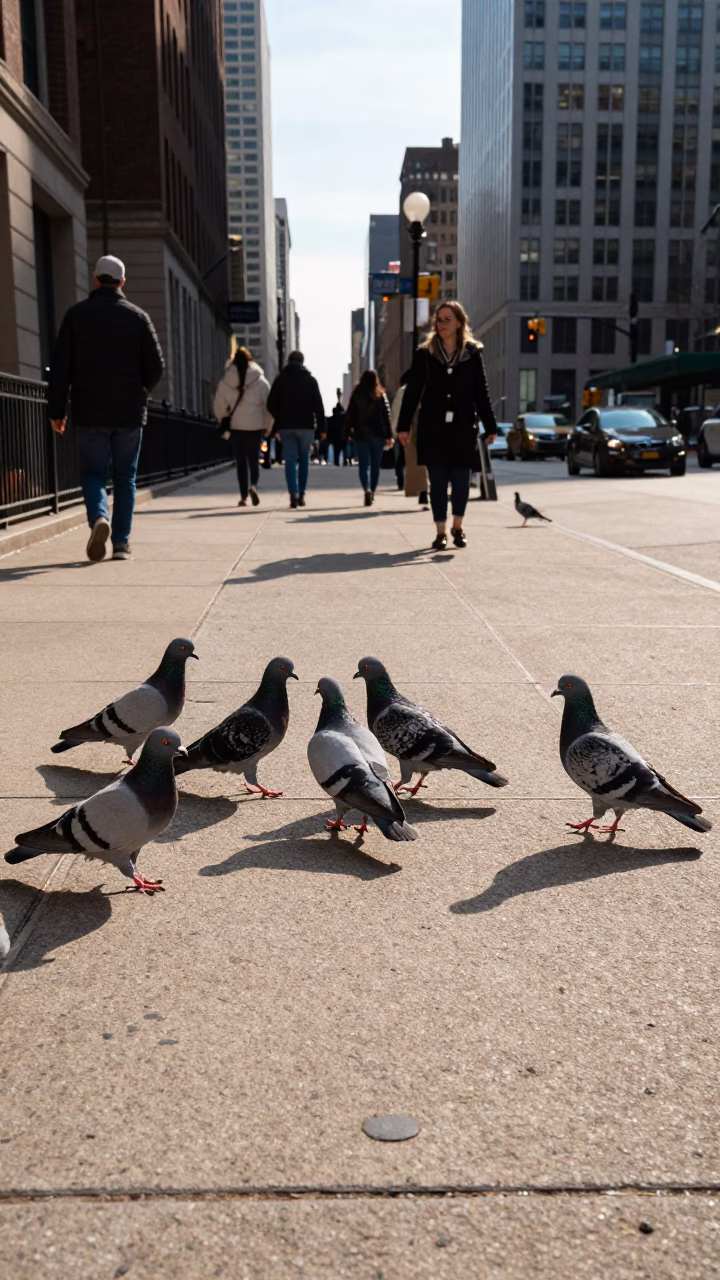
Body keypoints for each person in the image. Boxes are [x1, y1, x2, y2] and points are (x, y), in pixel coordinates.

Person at [47, 254, 164, 561]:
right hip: (129, 412)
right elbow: (156, 367)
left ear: (95, 279)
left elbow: (61, 367)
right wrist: (141, 391)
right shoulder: (139, 317)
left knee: (93, 473)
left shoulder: (76, 316)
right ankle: (122, 543)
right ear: (122, 282)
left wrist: (56, 411)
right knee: (126, 476)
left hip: (89, 410)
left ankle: (100, 517)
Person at [396, 300, 496, 550]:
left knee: (461, 481)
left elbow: (480, 392)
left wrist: (490, 425)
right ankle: (440, 532)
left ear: (459, 323)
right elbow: (413, 392)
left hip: (463, 428)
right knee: (438, 483)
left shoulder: (473, 355)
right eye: (438, 320)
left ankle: (458, 527)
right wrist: (403, 425)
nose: (441, 324)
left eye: (446, 319)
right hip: (433, 428)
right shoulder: (425, 354)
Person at [266, 350, 326, 508]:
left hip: (285, 426)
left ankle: (292, 494)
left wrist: (279, 417)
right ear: (302, 361)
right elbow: (318, 406)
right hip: (306, 426)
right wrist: (322, 428)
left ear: (288, 361)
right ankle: (301, 494)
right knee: (304, 459)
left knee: (290, 460)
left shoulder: (280, 380)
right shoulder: (310, 381)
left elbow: (270, 404)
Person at [213, 346, 271, 506]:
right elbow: (268, 405)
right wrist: (268, 425)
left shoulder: (226, 381)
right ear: (250, 359)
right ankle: (254, 486)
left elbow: (219, 405)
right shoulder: (260, 381)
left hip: (236, 426)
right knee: (253, 459)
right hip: (255, 426)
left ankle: (243, 496)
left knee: (241, 462)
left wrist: (223, 419)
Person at [345, 370, 393, 506]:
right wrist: (389, 435)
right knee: (375, 466)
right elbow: (386, 417)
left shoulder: (356, 395)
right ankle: (372, 490)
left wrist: (348, 431)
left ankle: (366, 488)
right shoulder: (380, 395)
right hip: (377, 435)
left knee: (363, 465)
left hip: (361, 434)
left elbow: (350, 415)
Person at [391, 369, 428, 506]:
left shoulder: (403, 391)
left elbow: (396, 410)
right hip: (427, 423)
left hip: (410, 426)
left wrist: (396, 430)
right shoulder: (428, 385)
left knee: (414, 459)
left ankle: (422, 490)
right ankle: (426, 488)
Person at [327, 389, 348, 465]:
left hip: (335, 437)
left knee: (336, 450)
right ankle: (345, 461)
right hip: (342, 436)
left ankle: (336, 462)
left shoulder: (331, 419)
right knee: (344, 448)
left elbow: (328, 428)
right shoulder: (343, 418)